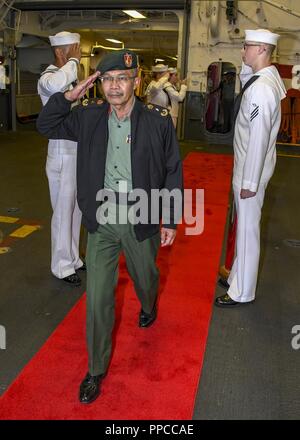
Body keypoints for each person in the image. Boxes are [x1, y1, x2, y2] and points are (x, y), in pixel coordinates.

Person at [36, 49, 183, 403]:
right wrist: (67, 97)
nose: (114, 86)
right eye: (107, 79)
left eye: (122, 79)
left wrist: (173, 219)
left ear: (136, 81)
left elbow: (172, 170)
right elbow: (46, 125)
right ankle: (95, 370)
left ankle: (149, 305)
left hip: (140, 217)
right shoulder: (87, 117)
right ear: (99, 83)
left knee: (145, 277)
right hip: (101, 220)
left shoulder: (158, 120)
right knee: (98, 297)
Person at [215, 29, 286, 308]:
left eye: (247, 47)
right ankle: (237, 276)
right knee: (243, 228)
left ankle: (241, 291)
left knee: (247, 231)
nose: (242, 52)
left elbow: (257, 138)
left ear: (262, 50)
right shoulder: (264, 78)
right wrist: (248, 63)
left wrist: (250, 182)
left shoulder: (261, 90)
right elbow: (247, 80)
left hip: (251, 170)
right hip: (250, 167)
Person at [37, 31, 85, 286]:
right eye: (73, 50)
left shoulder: (68, 77)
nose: (77, 54)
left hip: (76, 150)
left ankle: (74, 258)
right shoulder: (48, 78)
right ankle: (61, 265)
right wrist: (74, 63)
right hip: (61, 153)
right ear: (59, 52)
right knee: (63, 211)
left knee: (76, 210)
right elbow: (56, 86)